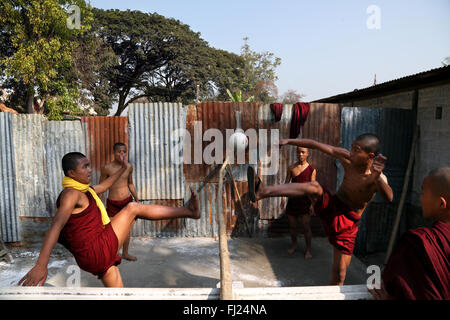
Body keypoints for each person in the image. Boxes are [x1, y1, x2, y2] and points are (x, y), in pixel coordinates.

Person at [18, 152, 199, 288]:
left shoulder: (84, 191)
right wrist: (41, 265)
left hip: (92, 254)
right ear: (71, 173)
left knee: (116, 290)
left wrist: (122, 168)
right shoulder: (71, 194)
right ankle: (188, 211)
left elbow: (105, 185)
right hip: (94, 251)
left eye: (89, 165)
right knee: (132, 208)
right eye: (85, 167)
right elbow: (55, 227)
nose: (90, 170)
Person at [248, 133, 393, 285]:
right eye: (351, 148)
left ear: (370, 156)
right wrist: (288, 140)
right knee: (315, 187)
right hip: (332, 206)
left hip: (347, 224)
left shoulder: (377, 178)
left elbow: (389, 197)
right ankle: (263, 192)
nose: (351, 152)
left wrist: (377, 177)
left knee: (340, 273)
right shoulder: (347, 158)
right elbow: (315, 144)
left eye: (356, 150)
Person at [369, 167, 450, 300]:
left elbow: (393, 288)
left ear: (441, 203)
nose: (420, 198)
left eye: (423, 192)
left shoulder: (417, 243)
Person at [100, 142, 138, 261]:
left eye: (124, 151)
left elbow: (130, 184)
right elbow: (102, 187)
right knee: (112, 229)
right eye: (119, 151)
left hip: (127, 201)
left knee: (126, 229)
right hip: (113, 203)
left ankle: (125, 253)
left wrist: (137, 199)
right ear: (114, 153)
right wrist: (99, 204)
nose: (122, 154)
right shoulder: (107, 168)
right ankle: (113, 254)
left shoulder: (129, 167)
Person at [280, 147, 316, 258]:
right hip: (293, 201)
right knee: (292, 226)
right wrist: (282, 198)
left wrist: (312, 204)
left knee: (306, 227)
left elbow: (313, 188)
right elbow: (286, 184)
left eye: (303, 152)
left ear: (307, 153)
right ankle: (294, 245)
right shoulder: (291, 168)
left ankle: (308, 249)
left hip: (305, 202)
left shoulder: (311, 169)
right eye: (298, 152)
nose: (300, 154)